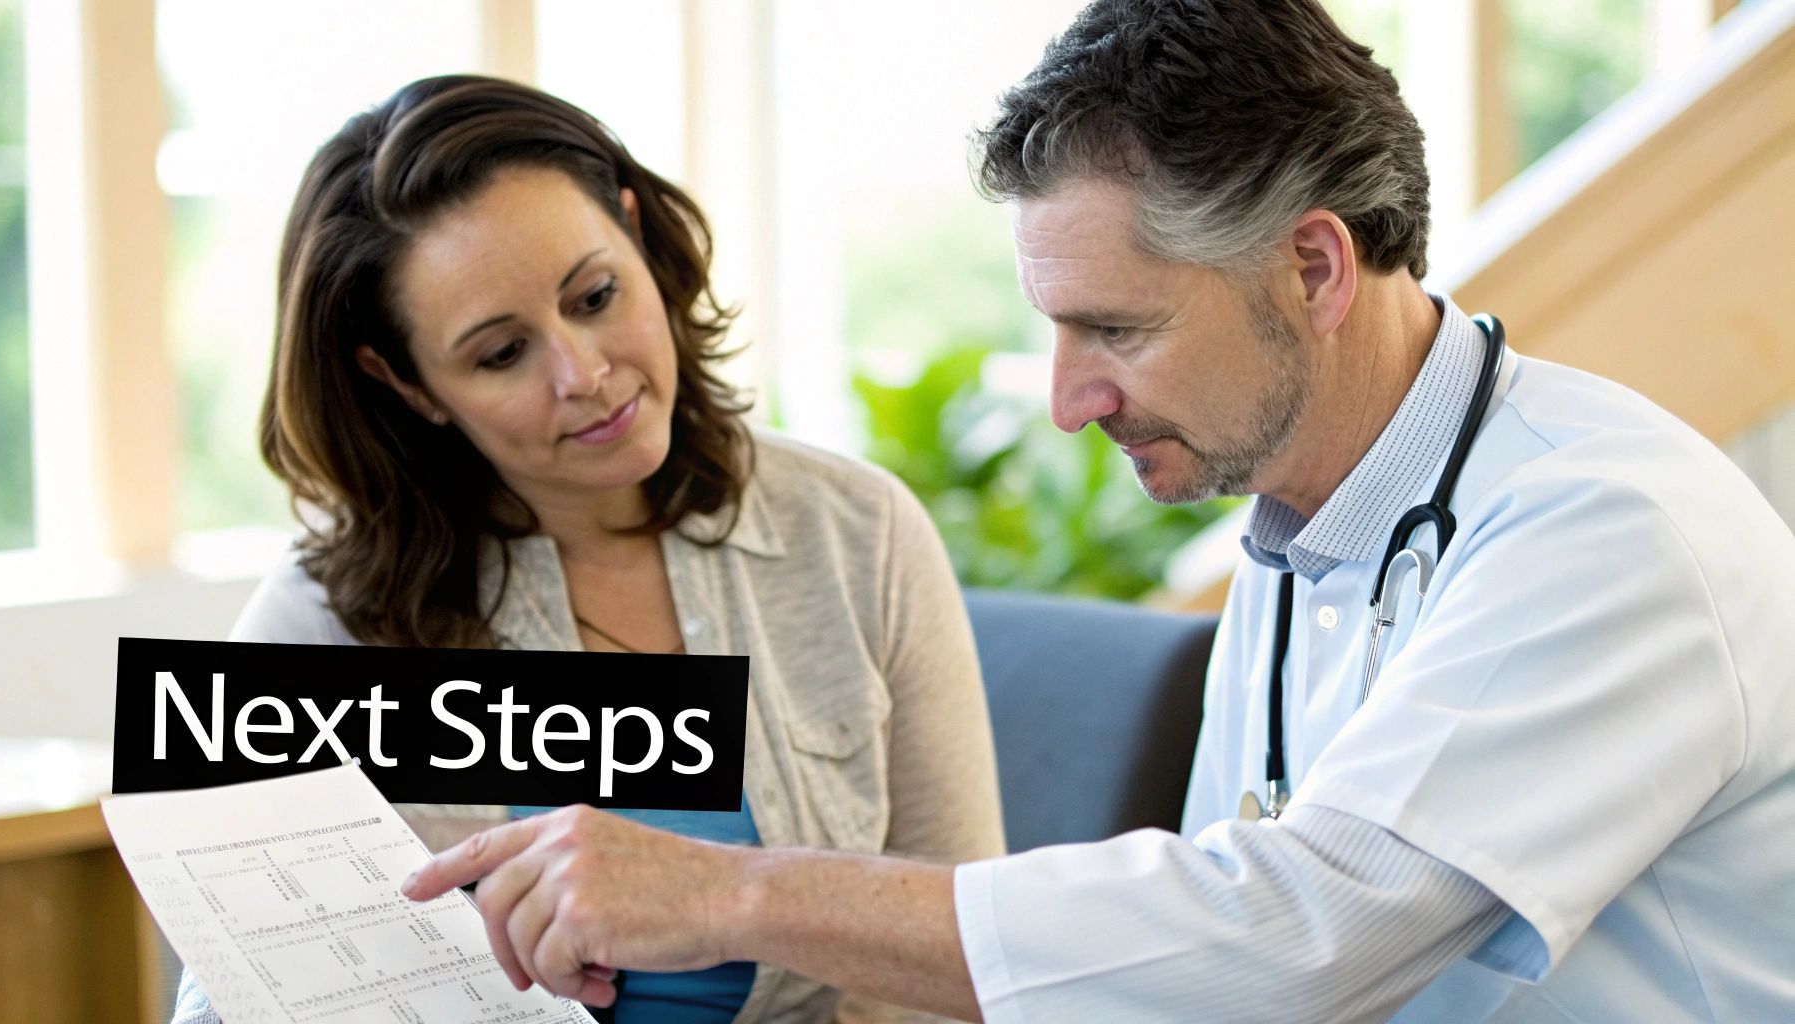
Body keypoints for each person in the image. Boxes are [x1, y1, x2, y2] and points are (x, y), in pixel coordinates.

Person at [400, 2, 1795, 1021]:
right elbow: (1180, 968)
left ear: (1312, 263)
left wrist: (729, 893)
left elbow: (1294, 935)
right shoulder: (1301, 534)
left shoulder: (1605, 527)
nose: (1069, 402)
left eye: (1115, 330)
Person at [170, 74, 1004, 1024]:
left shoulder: (859, 535)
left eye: (596, 295)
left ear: (637, 232)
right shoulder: (323, 618)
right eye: (500, 354)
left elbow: (970, 960)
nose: (585, 374)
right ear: (407, 383)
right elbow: (220, 1007)